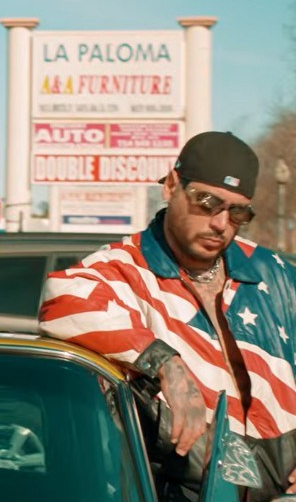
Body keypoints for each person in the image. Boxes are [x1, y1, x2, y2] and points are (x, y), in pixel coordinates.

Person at [38, 131, 296, 501]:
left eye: (238, 212)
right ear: (172, 185)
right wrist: (166, 364)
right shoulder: (126, 268)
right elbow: (62, 299)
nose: (220, 223)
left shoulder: (273, 271)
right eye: (207, 203)